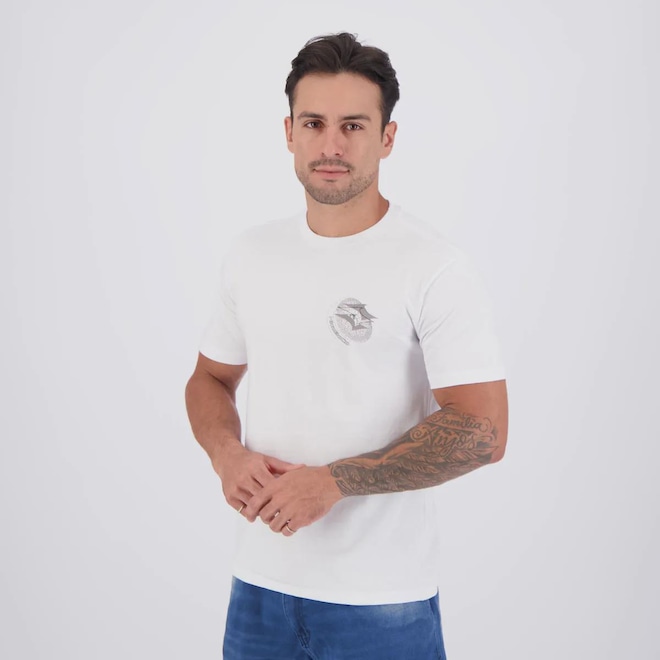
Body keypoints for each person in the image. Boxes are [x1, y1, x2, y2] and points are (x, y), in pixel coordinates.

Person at [185, 32, 508, 660]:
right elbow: (210, 379)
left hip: (382, 603)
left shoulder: (433, 265)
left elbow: (484, 430)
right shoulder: (252, 254)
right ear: (289, 133)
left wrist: (334, 482)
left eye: (353, 126)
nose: (331, 146)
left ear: (387, 138)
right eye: (314, 123)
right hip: (258, 590)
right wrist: (226, 454)